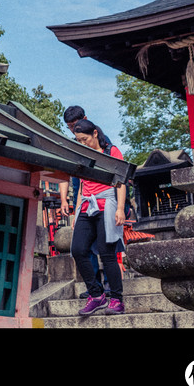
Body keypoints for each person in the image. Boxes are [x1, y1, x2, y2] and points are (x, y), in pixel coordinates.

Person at [61, 118, 127, 316]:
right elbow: (81, 185)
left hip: (107, 204)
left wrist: (121, 208)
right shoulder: (82, 154)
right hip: (86, 205)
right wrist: (77, 211)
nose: (82, 144)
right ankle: (96, 295)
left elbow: (121, 181)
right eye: (78, 140)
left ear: (95, 134)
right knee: (78, 249)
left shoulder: (111, 152)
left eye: (84, 139)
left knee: (107, 254)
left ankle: (116, 299)